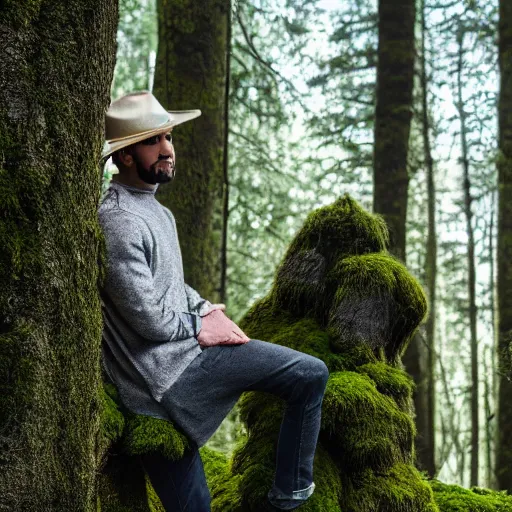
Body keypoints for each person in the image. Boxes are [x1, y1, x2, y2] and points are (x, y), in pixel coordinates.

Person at [98, 91, 329, 512]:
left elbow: (169, 287)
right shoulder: (119, 220)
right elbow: (148, 317)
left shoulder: (156, 212)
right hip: (169, 377)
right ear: (126, 156)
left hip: (173, 369)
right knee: (310, 375)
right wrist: (199, 327)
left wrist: (203, 307)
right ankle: (290, 497)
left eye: (168, 138)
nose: (168, 149)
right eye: (154, 141)